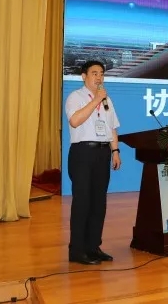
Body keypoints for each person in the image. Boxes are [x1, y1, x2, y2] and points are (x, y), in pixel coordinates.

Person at [65, 60, 122, 265]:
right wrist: (96, 100)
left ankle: (93, 247)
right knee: (82, 202)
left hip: (102, 153)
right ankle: (77, 250)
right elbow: (75, 121)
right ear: (84, 76)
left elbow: (111, 128)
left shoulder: (107, 100)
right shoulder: (75, 97)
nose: (99, 77)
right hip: (83, 153)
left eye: (101, 74)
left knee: (99, 203)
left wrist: (115, 151)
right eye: (94, 73)